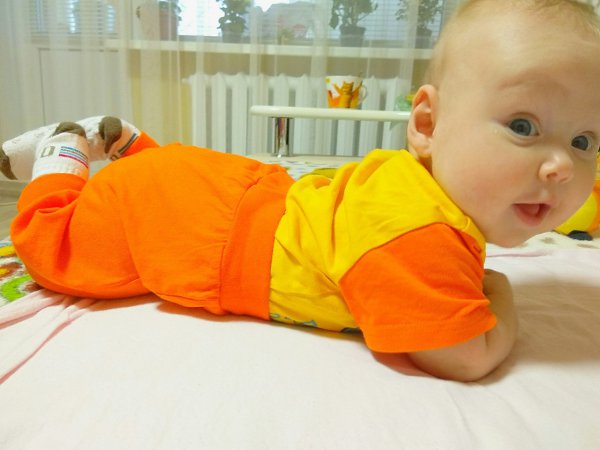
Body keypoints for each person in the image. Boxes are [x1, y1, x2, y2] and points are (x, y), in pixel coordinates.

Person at [2, 0, 600, 382]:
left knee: (158, 179)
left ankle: (125, 143)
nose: (560, 167)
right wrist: (499, 290)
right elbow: (468, 356)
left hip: (227, 194)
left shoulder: (418, 190)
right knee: (51, 247)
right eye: (523, 126)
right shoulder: (417, 233)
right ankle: (66, 149)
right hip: (203, 233)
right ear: (426, 125)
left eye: (584, 141)